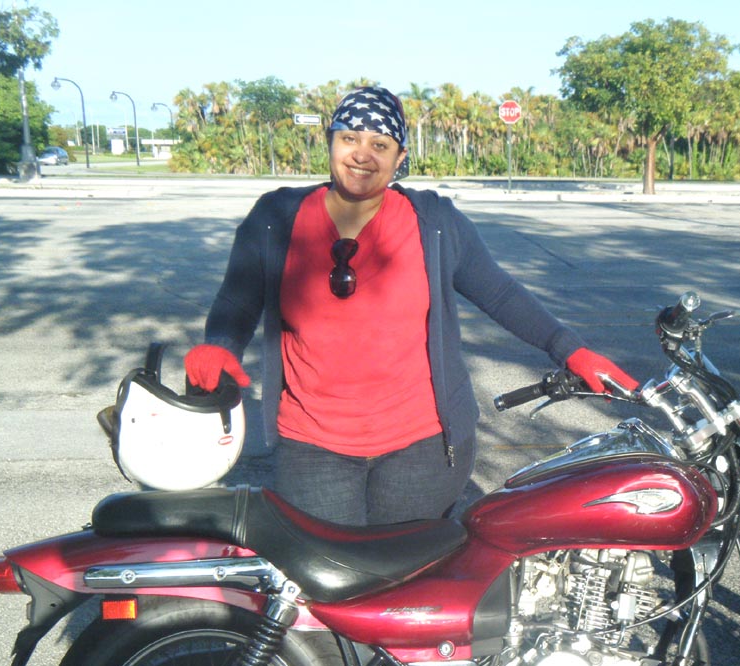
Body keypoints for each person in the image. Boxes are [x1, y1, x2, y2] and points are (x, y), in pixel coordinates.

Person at [185, 85, 637, 527]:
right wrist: (220, 344)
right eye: (349, 138)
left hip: (421, 447)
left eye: (379, 144)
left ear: (400, 157)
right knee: (329, 569)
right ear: (330, 142)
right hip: (312, 445)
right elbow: (238, 297)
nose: (362, 155)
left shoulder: (433, 222)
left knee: (408, 568)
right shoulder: (276, 217)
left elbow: (500, 293)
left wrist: (569, 348)